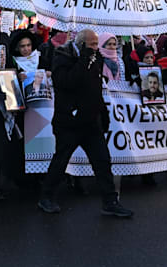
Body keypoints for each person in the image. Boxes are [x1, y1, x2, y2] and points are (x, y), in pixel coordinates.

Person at [38, 29, 133, 218]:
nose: (95, 49)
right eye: (91, 45)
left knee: (102, 161)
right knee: (61, 160)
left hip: (91, 121)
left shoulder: (96, 58)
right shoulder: (62, 57)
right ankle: (46, 197)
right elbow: (67, 82)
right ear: (81, 44)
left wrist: (103, 116)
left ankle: (110, 201)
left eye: (97, 45)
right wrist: (83, 59)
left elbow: (95, 87)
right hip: (69, 121)